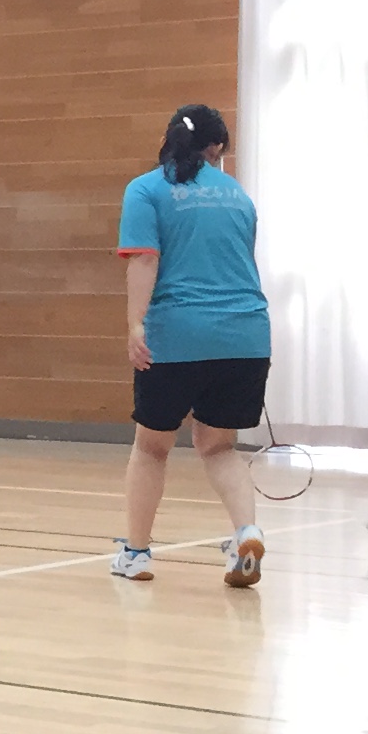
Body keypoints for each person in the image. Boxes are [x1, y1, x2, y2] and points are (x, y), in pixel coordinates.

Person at [116, 102, 268, 587]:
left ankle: (136, 555)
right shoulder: (239, 195)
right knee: (219, 447)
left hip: (177, 337)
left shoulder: (146, 189)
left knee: (152, 448)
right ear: (217, 147)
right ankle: (247, 531)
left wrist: (136, 325)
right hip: (246, 336)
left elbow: (143, 261)